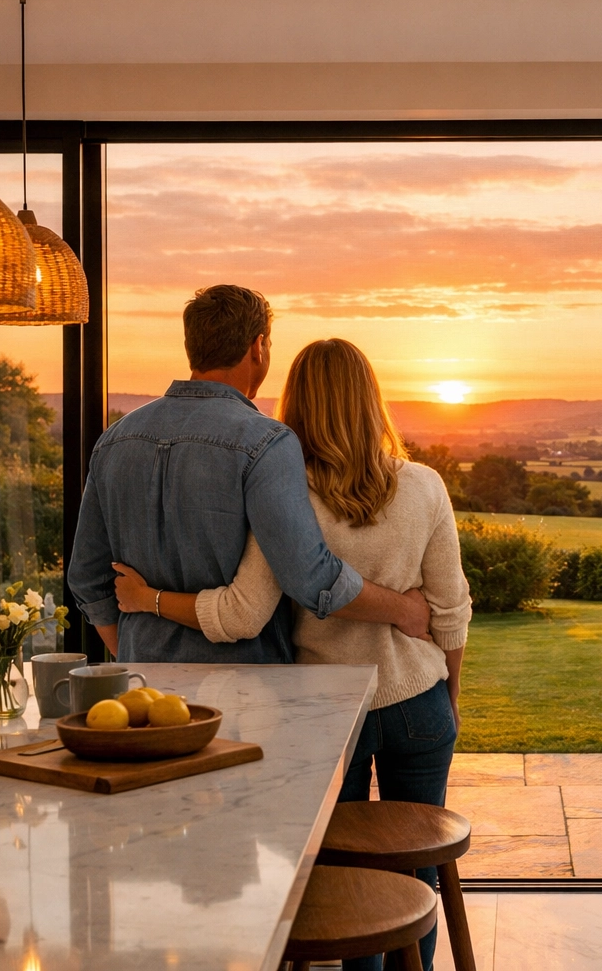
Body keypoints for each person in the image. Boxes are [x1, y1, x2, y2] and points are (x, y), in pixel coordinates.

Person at [112, 338, 470, 971]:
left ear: (297, 401)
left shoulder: (287, 498)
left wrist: (148, 598)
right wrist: (450, 697)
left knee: (352, 879)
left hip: (329, 714)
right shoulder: (424, 486)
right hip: (419, 702)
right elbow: (451, 611)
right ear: (372, 398)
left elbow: (240, 614)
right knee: (421, 871)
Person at [69, 285, 431, 664]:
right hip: (244, 688)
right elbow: (310, 576)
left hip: (143, 685)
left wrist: (131, 650)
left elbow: (87, 579)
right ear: (258, 347)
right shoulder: (266, 443)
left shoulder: (114, 439)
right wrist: (404, 610)